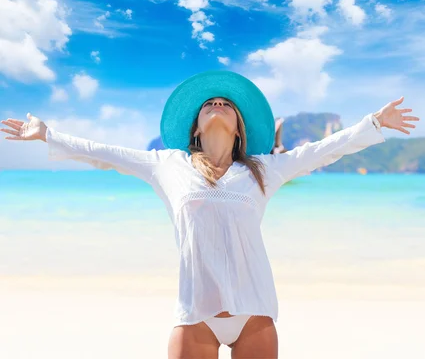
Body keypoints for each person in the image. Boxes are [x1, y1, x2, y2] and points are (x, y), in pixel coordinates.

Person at [1, 69, 420, 359]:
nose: (217, 104)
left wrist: (373, 123)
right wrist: (47, 135)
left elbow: (324, 150)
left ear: (238, 128)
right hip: (195, 314)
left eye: (226, 104)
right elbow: (103, 154)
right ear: (196, 129)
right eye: (208, 104)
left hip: (253, 312)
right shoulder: (168, 165)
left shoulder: (264, 170)